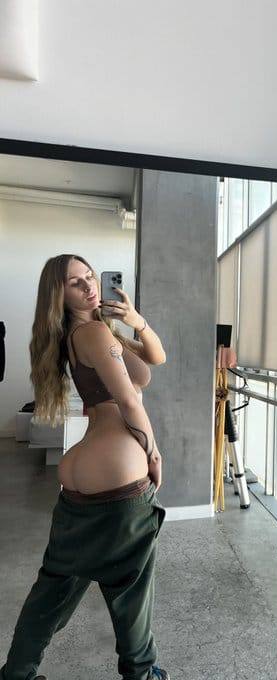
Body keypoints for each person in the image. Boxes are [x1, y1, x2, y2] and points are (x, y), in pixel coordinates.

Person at [1, 254, 169, 680]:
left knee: (53, 587)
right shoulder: (93, 333)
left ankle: (16, 673)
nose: (89, 286)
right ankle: (142, 674)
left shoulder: (92, 333)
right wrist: (153, 453)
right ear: (59, 295)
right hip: (116, 476)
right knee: (131, 591)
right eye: (75, 283)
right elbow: (128, 400)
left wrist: (134, 319)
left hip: (81, 476)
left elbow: (155, 359)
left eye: (90, 276)